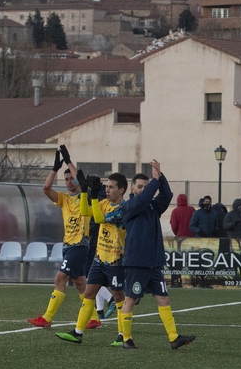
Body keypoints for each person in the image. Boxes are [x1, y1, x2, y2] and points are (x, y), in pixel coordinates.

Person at [113, 162, 195, 350]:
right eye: (140, 186)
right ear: (132, 188)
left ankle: (174, 338)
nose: (143, 189)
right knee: (130, 299)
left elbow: (167, 196)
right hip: (136, 263)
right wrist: (154, 182)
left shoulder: (152, 206)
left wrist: (161, 176)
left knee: (164, 299)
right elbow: (144, 199)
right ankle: (126, 339)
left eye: (145, 186)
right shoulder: (130, 206)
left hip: (154, 263)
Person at [28, 145, 98, 330]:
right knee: (80, 284)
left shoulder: (86, 196)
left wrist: (68, 161)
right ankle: (94, 318)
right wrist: (54, 170)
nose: (68, 182)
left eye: (71, 178)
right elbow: (46, 188)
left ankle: (47, 317)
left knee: (60, 278)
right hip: (68, 245)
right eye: (66, 179)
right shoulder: (64, 199)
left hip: (80, 244)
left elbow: (82, 182)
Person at [56, 173, 130, 346]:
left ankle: (122, 335)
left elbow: (98, 218)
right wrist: (83, 192)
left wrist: (94, 196)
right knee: (88, 294)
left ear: (121, 190)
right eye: (107, 186)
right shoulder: (104, 203)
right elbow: (84, 212)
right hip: (99, 258)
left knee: (119, 296)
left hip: (115, 260)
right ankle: (78, 332)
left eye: (111, 187)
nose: (108, 189)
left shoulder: (124, 209)